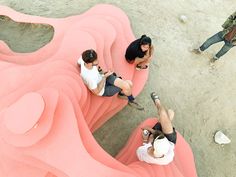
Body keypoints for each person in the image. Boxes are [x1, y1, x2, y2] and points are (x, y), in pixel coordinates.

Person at [77, 49, 144, 110]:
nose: (98, 60)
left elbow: (78, 63)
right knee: (128, 84)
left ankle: (123, 94)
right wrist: (104, 77)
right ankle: (130, 99)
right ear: (89, 63)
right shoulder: (89, 78)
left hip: (103, 77)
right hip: (103, 89)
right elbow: (97, 92)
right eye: (95, 60)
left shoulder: (83, 59)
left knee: (129, 83)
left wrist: (103, 74)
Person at [136, 92, 177, 165]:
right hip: (170, 140)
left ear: (152, 144)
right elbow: (158, 135)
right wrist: (150, 130)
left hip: (160, 139)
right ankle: (158, 103)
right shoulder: (169, 156)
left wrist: (145, 139)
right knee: (169, 113)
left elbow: (152, 137)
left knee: (169, 113)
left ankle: (159, 105)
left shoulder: (143, 153)